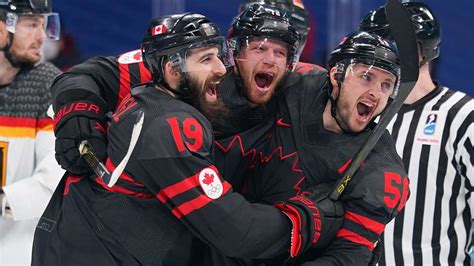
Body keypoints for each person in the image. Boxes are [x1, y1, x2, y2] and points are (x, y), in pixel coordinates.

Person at [32, 13, 342, 265]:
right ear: (171, 70)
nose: (221, 68)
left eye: (282, 51)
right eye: (207, 59)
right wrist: (307, 220)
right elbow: (236, 231)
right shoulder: (173, 124)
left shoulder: (168, 99)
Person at [215, 29, 409, 265]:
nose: (375, 93)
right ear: (337, 75)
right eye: (366, 77)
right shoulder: (299, 84)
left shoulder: (383, 171)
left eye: (386, 85)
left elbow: (350, 255)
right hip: (226, 234)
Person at [359, 2, 473, 265]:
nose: (383, 53)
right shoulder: (364, 115)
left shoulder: (462, 115)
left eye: (393, 43)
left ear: (424, 49)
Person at [0, 0, 63, 264]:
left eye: (44, 24)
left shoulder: (51, 86)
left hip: (20, 252)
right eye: (31, 25)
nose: (42, 36)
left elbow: (54, 182)